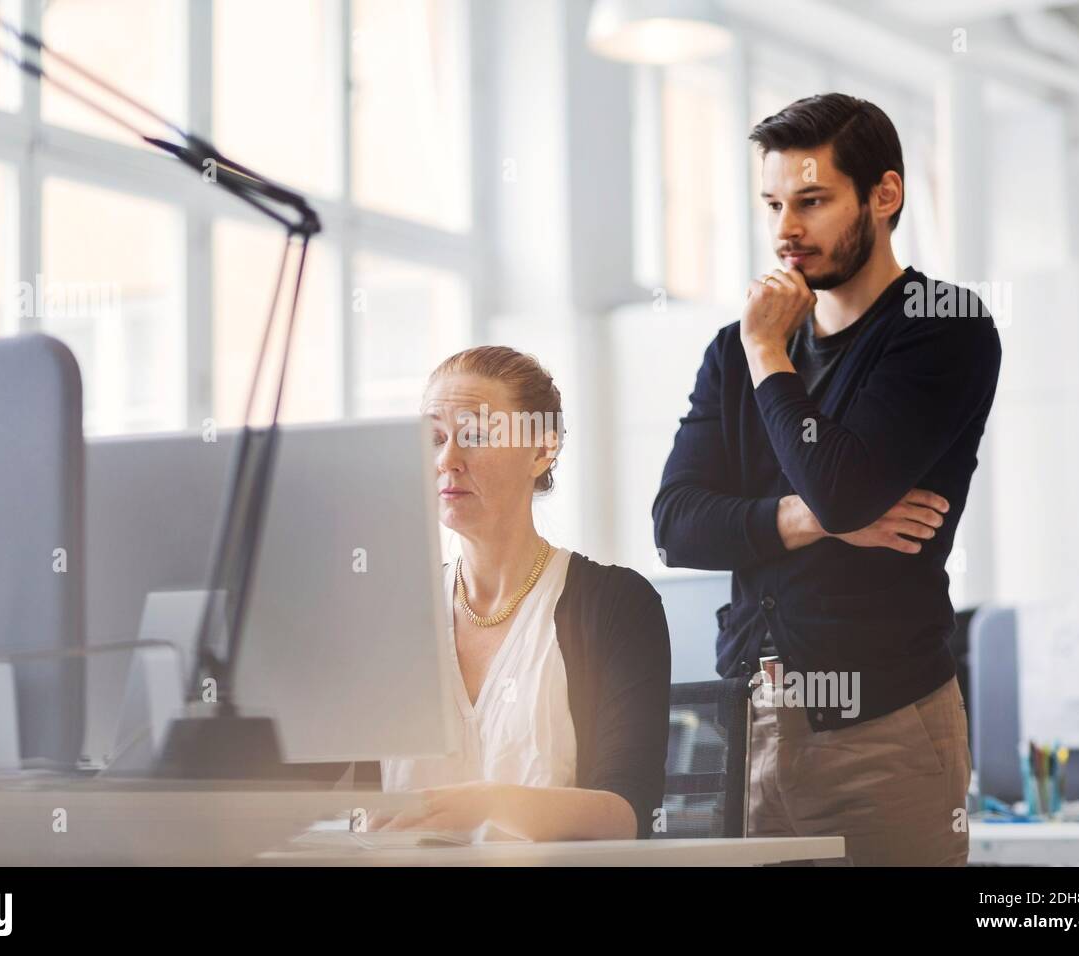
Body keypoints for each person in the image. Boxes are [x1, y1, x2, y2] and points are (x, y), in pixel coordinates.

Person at [653, 93, 1001, 865]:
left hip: (884, 728)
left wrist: (772, 358)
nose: (785, 230)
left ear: (884, 195)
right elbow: (675, 522)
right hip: (750, 723)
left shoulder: (943, 325)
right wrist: (807, 519)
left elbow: (842, 486)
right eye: (774, 203)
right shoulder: (731, 349)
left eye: (811, 201)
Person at [371, 345, 671, 841]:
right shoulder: (392, 615)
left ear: (541, 451)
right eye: (435, 438)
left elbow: (627, 816)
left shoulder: (616, 603)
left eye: (475, 435)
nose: (448, 459)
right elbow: (328, 796)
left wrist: (489, 801)